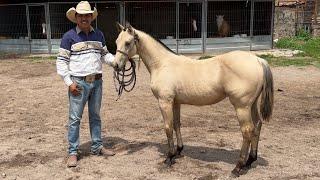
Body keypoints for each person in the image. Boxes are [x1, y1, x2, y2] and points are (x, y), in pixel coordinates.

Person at [56, 1, 116, 167]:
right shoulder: (69, 37)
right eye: (81, 15)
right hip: (79, 84)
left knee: (95, 116)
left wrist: (116, 61)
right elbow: (61, 61)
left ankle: (96, 147)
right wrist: (69, 82)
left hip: (97, 82)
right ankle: (73, 152)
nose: (84, 18)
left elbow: (104, 55)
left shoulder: (99, 35)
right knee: (75, 118)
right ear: (76, 17)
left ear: (91, 17)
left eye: (87, 15)